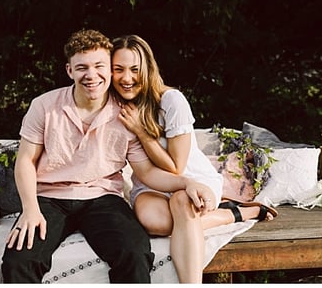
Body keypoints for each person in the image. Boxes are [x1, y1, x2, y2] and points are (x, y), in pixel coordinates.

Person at [1, 29, 217, 283]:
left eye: (99, 66)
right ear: (69, 70)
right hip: (50, 198)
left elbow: (146, 172)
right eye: (82, 67)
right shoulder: (44, 106)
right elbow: (25, 160)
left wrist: (188, 183)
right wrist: (30, 210)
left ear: (108, 69)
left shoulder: (125, 114)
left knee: (135, 253)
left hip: (103, 198)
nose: (91, 75)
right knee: (19, 261)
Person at [108, 34, 276, 283]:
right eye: (118, 69)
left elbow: (176, 167)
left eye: (134, 69)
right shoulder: (117, 106)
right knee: (155, 224)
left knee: (181, 205)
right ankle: (236, 213)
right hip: (152, 185)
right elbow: (145, 170)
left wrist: (142, 133)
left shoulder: (171, 101)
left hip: (191, 179)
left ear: (147, 69)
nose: (127, 78)